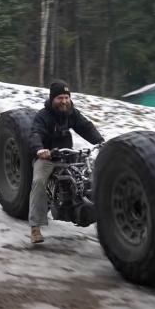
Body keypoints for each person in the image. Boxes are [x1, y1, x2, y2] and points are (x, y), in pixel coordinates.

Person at [29, 80, 104, 243]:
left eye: (66, 97)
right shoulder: (43, 116)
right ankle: (35, 227)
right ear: (52, 99)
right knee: (39, 182)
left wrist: (100, 142)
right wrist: (40, 149)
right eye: (60, 98)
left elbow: (85, 127)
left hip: (67, 155)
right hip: (47, 157)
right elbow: (35, 133)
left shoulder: (72, 113)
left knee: (90, 178)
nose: (64, 101)